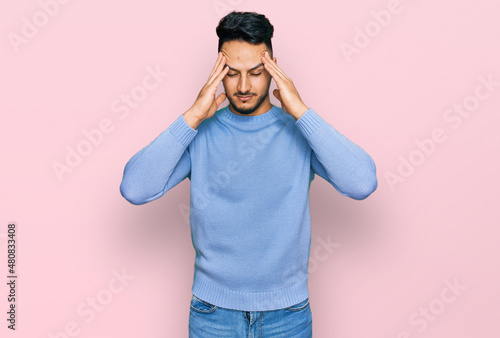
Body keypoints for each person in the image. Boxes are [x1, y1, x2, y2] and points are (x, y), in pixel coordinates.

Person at [120, 10, 377, 338]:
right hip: (213, 315)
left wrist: (300, 110)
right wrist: (192, 116)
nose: (243, 86)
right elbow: (135, 187)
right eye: (232, 73)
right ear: (217, 73)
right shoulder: (199, 133)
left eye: (256, 73)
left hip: (289, 315)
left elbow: (362, 182)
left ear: (274, 69)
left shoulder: (299, 131)